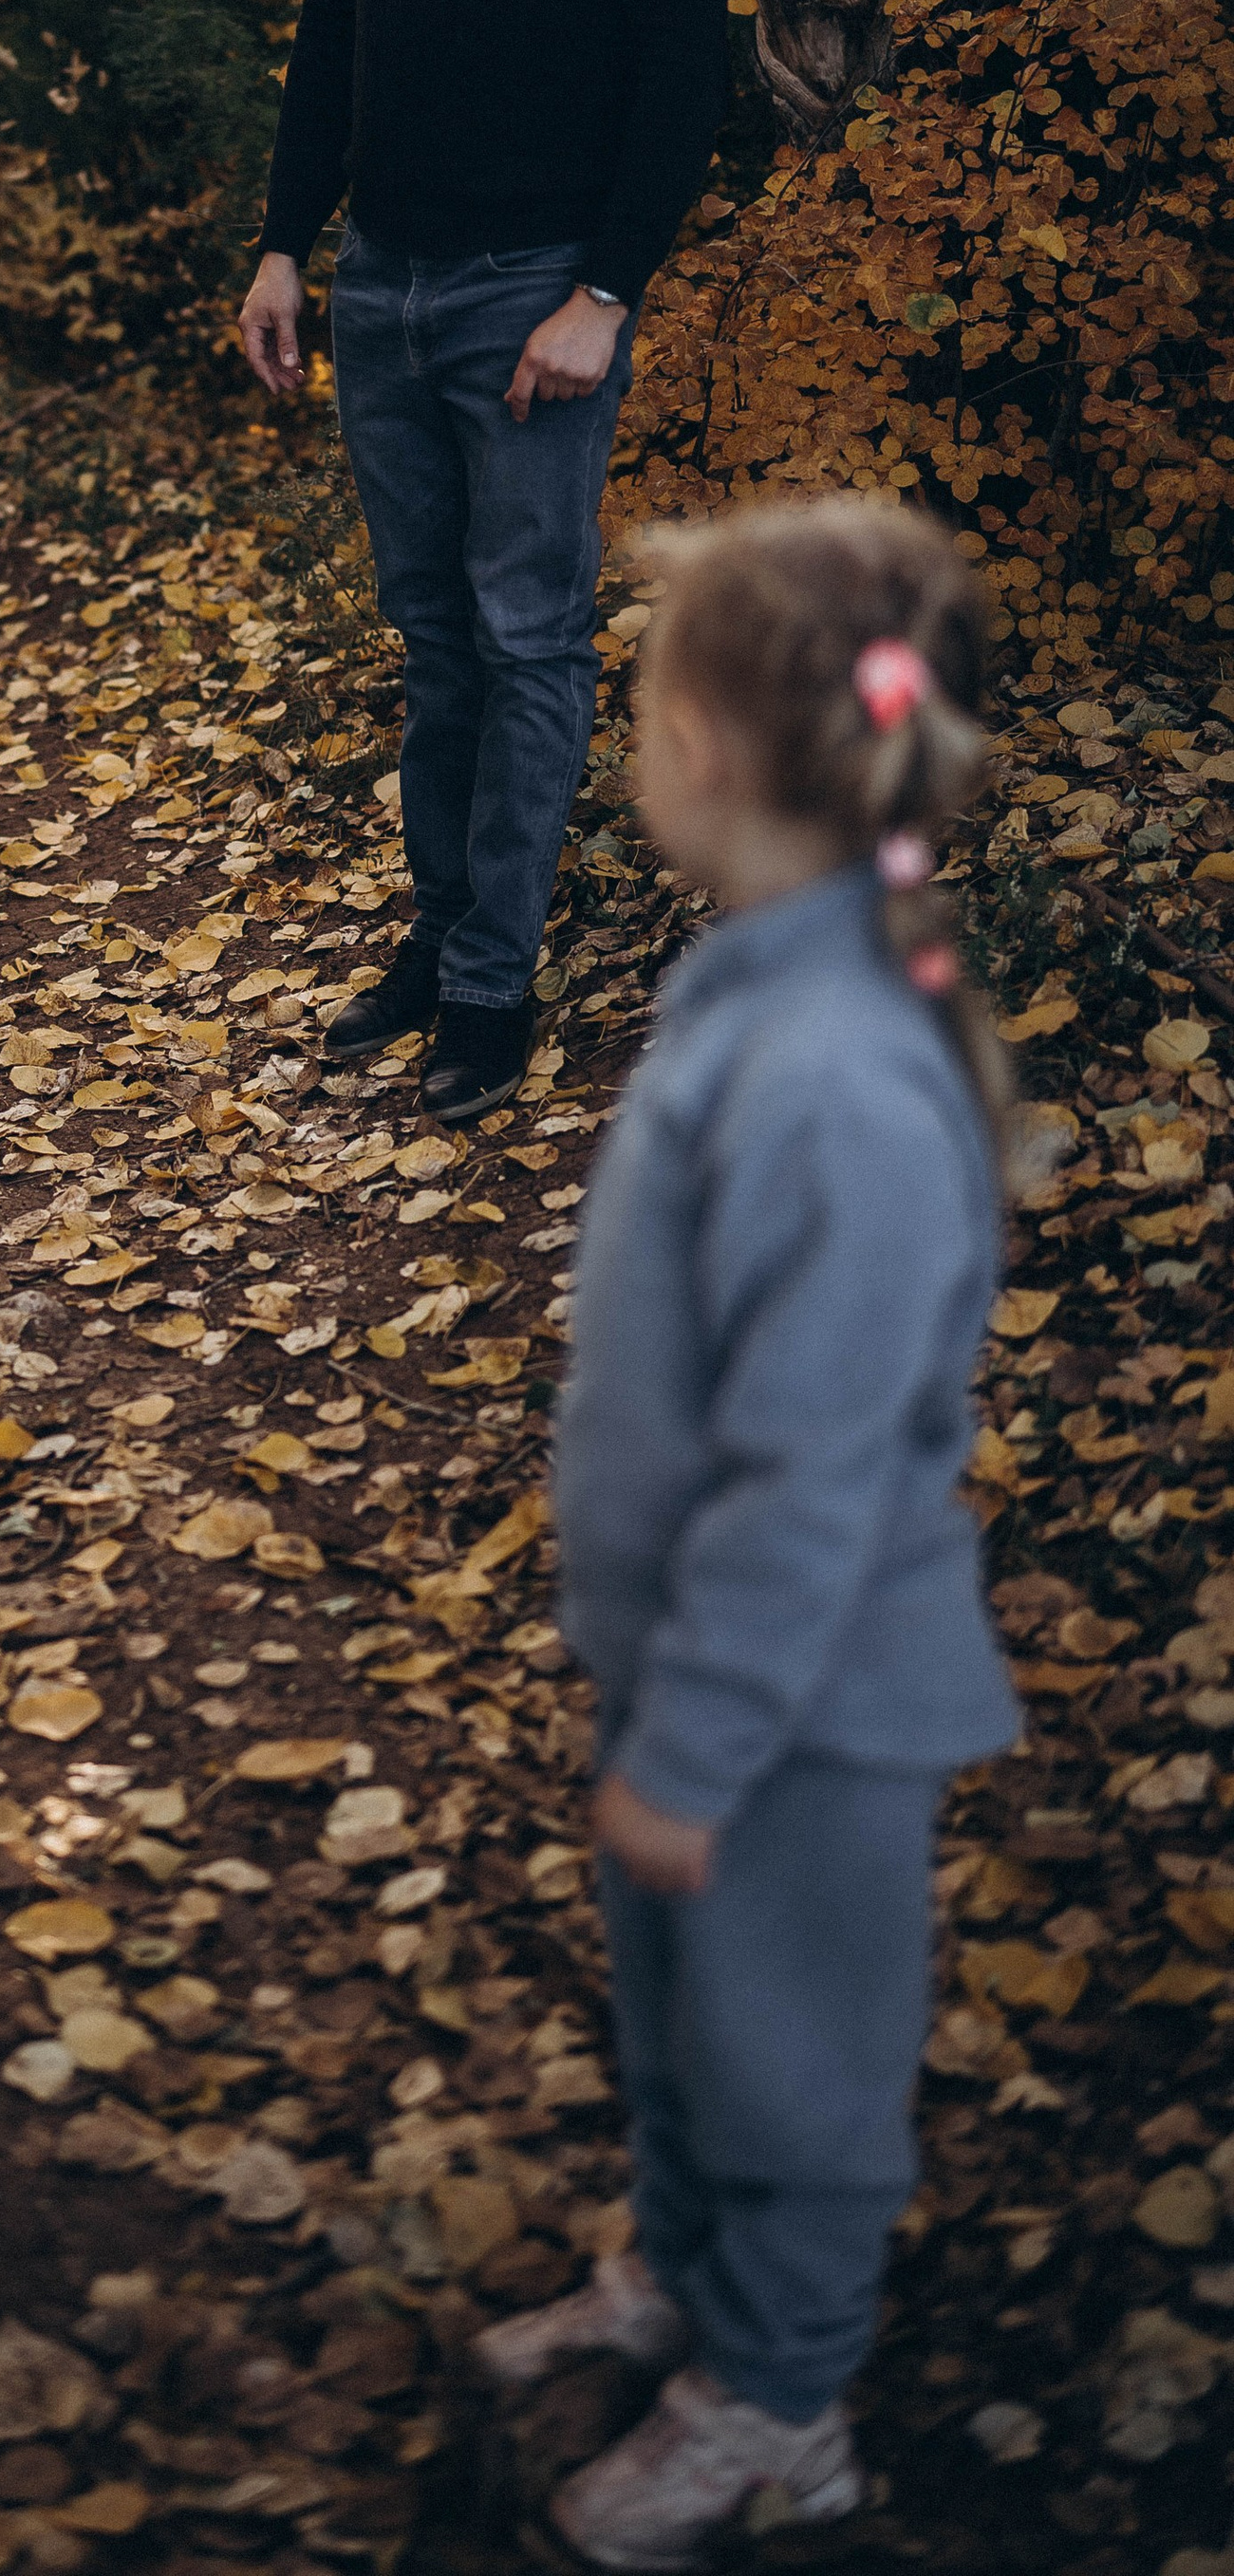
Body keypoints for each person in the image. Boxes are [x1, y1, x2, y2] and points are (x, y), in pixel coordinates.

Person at [473, 498, 1022, 2569]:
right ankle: (683, 2289)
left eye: (640, 697)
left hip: (795, 1705)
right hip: (694, 1677)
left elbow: (815, 1470)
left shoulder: (835, 1076)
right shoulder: (759, 987)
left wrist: (696, 1744)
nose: (627, 734)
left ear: (706, 744)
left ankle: (779, 2404)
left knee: (790, 2069)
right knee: (685, 2031)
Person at [239, 0, 726, 1122]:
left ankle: (492, 984)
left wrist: (605, 290)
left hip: (537, 296)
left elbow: (681, 67)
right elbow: (336, 22)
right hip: (384, 278)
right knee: (436, 641)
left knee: (526, 642)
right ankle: (442, 931)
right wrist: (284, 243)